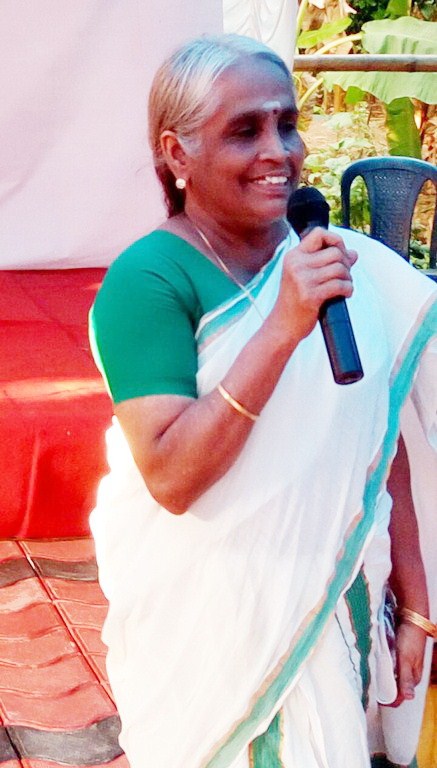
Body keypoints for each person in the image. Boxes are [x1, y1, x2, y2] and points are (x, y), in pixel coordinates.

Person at [89, 34, 437, 768]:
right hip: (214, 631)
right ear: (177, 154)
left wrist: (414, 600)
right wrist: (281, 327)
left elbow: (379, 437)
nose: (279, 151)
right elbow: (173, 478)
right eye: (244, 131)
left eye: (286, 123)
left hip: (331, 606)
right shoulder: (146, 282)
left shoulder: (333, 261)